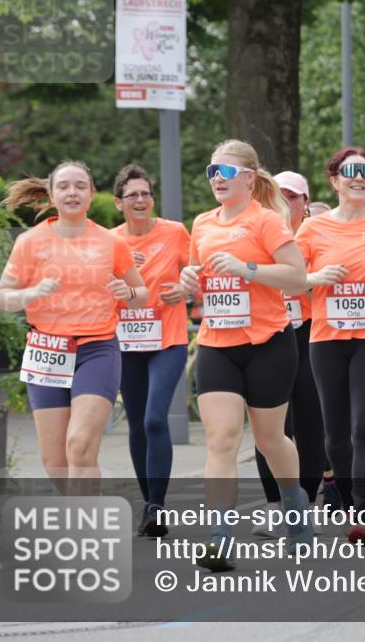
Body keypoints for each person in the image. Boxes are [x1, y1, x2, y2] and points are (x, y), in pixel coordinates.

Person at [180, 139, 310, 570]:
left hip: (268, 344)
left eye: (227, 171)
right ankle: (218, 538)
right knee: (220, 440)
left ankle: (295, 510)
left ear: (249, 179)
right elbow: (198, 280)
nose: (217, 177)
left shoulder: (267, 222)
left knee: (272, 440)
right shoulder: (202, 224)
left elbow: (297, 277)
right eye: (211, 170)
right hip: (218, 344)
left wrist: (248, 269)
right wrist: (189, 281)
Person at [0, 160, 149, 490]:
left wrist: (128, 292)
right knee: (54, 460)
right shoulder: (30, 242)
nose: (72, 192)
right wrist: (32, 292)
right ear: (51, 195)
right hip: (46, 349)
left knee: (79, 445)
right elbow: (2, 298)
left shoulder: (111, 242)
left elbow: (142, 294)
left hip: (96, 349)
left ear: (92, 194)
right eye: (63, 186)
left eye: (80, 185)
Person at [295, 146, 365, 544]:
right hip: (327, 338)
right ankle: (343, 499)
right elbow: (292, 280)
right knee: (335, 434)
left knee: (363, 426)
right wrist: (317, 276)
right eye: (350, 172)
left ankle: (363, 509)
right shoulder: (310, 229)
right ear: (335, 180)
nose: (358, 178)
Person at [111, 164, 190, 536]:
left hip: (168, 340)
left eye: (146, 193)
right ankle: (150, 506)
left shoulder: (174, 232)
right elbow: (95, 295)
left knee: (155, 419)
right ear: (118, 203)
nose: (141, 200)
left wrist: (187, 292)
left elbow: (200, 277)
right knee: (138, 423)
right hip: (126, 342)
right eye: (133, 195)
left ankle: (158, 503)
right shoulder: (109, 241)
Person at [248, 171, 328, 537]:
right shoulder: (255, 232)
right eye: (278, 194)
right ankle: (274, 504)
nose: (285, 201)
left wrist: (308, 281)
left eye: (293, 196)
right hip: (266, 333)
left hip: (310, 332)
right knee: (270, 427)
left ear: (305, 202)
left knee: (311, 422)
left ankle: (307, 501)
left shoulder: (318, 235)